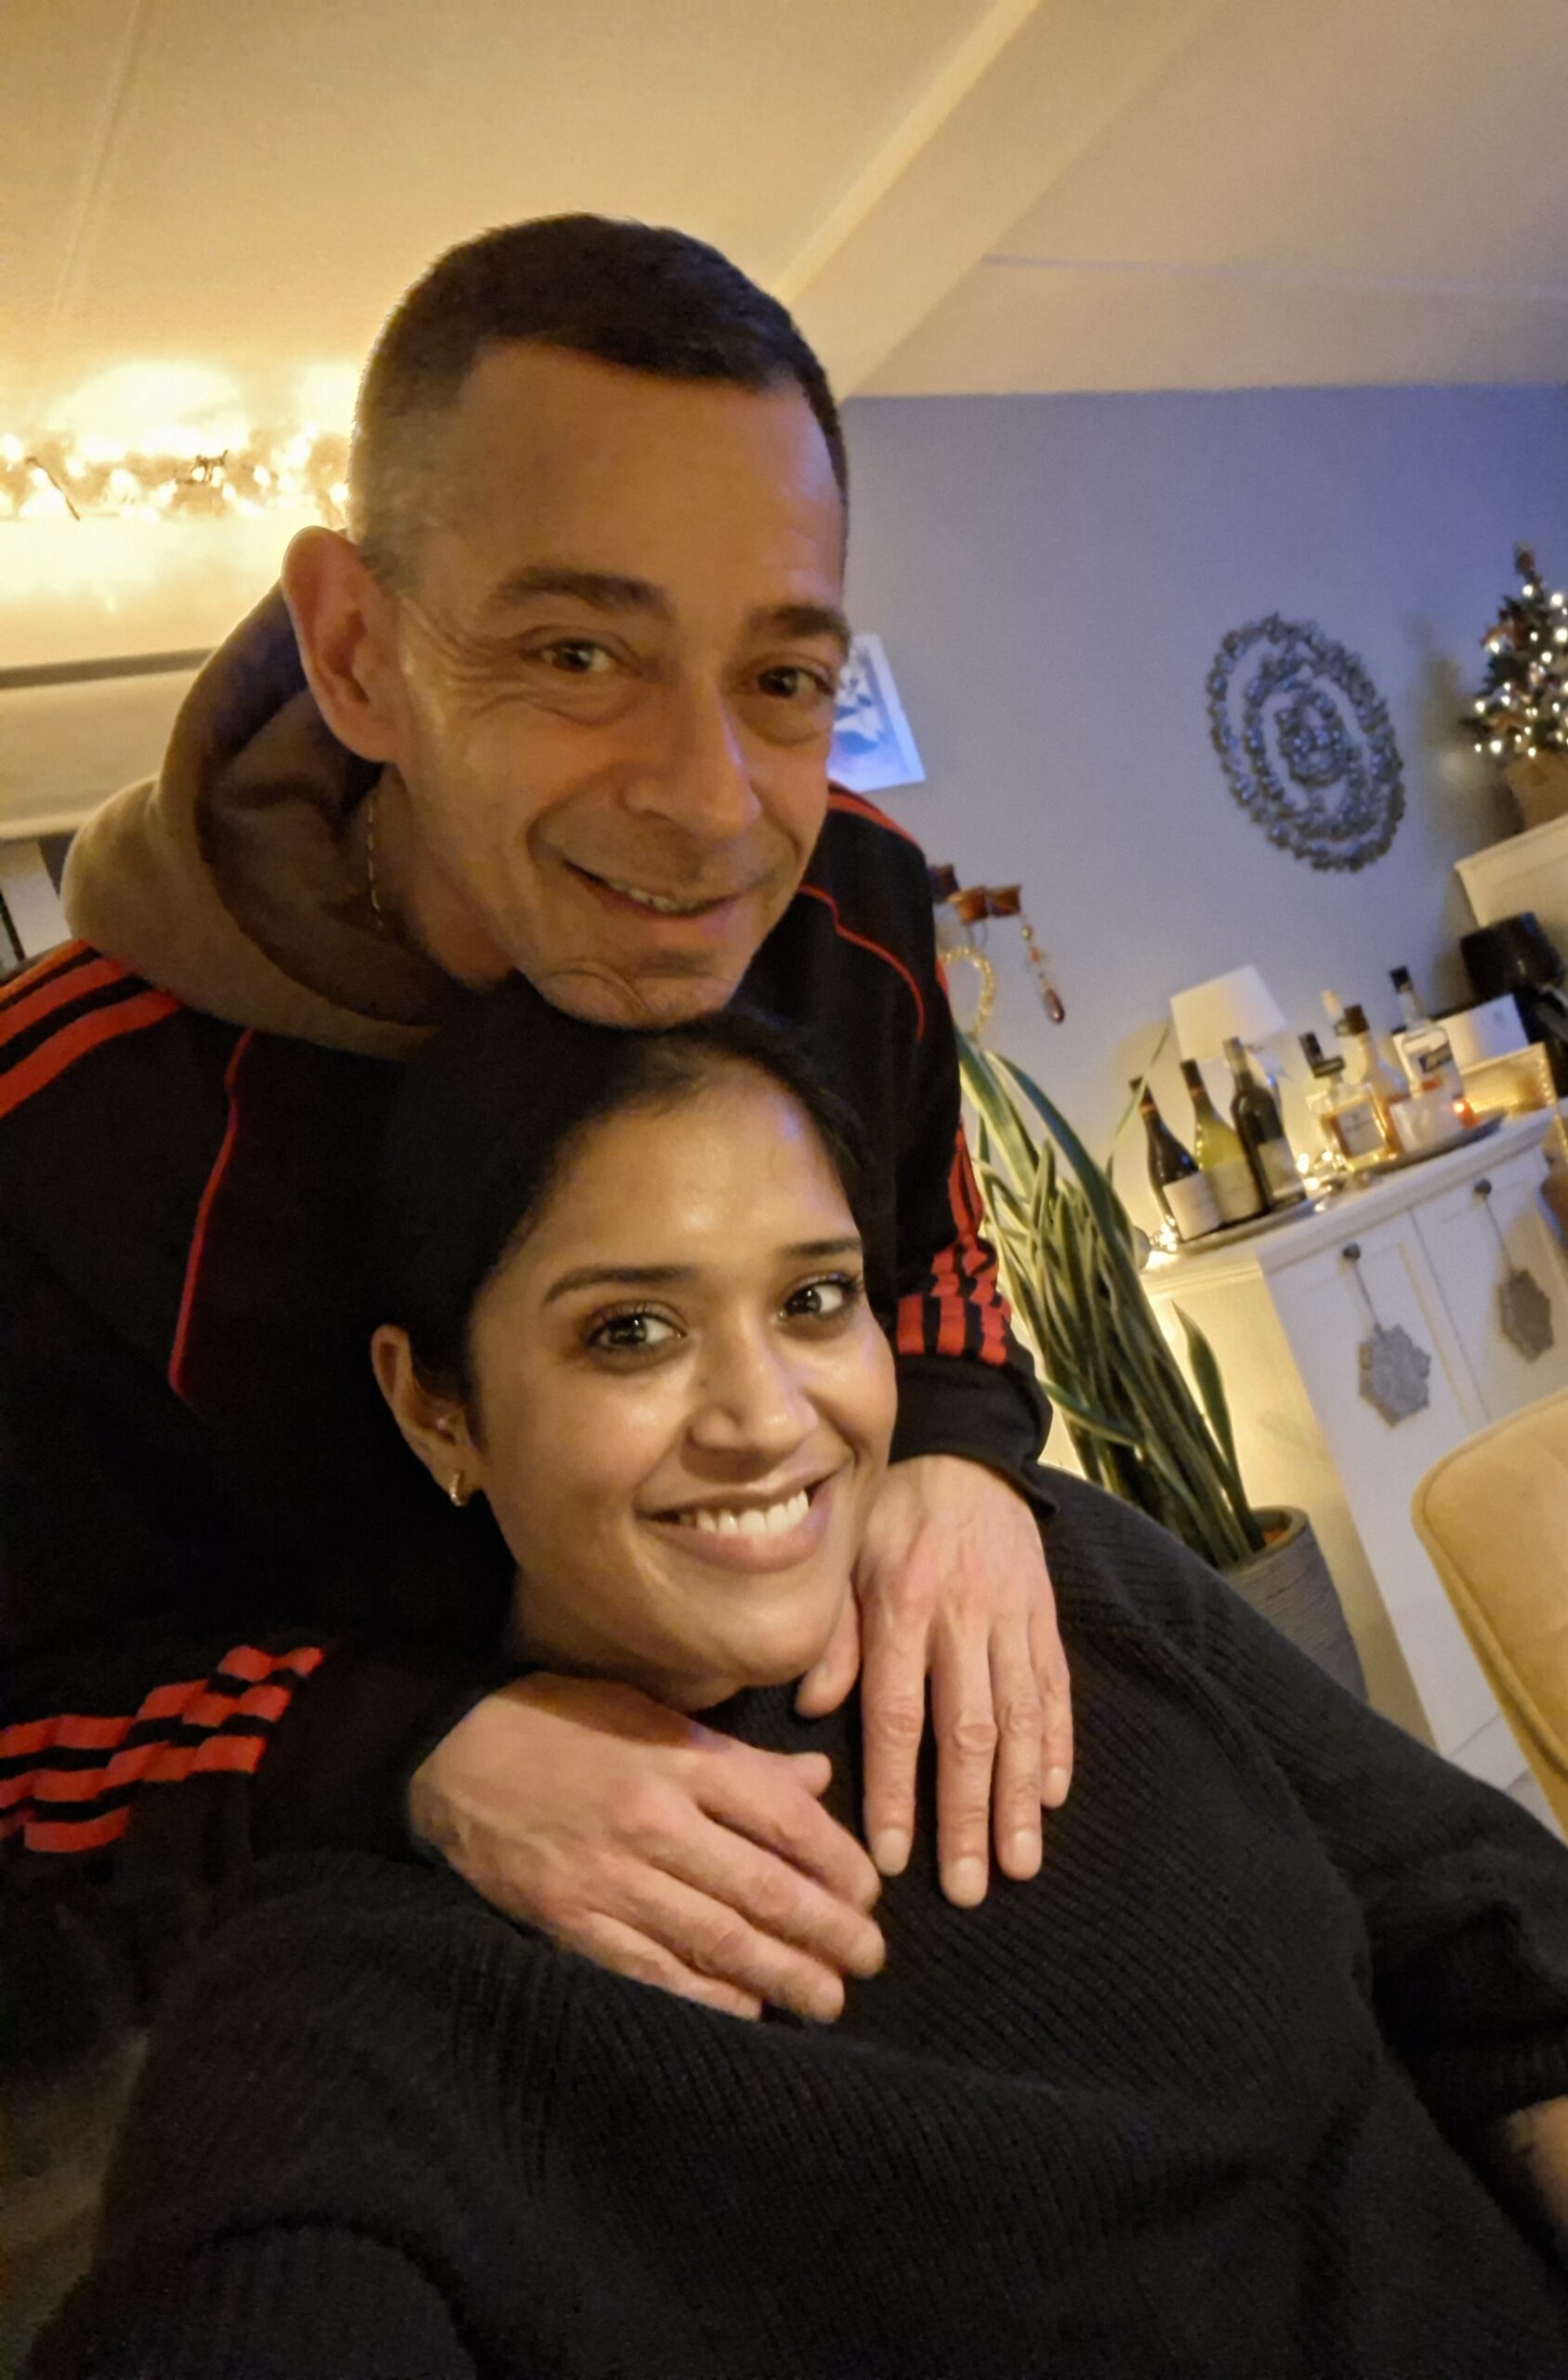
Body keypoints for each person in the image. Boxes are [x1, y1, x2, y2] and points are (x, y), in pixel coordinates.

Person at [30, 985, 1568, 2379]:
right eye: (629, 1331)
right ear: (437, 1406)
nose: (766, 1418)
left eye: (815, 1301)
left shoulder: (1060, 1577)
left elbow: (1511, 1952)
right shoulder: (362, 1990)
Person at [0, 216, 1070, 2038]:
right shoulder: (68, 1135)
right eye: (580, 653)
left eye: (781, 678)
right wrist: (413, 1749)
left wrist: (962, 1455)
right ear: (357, 653)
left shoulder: (857, 910)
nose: (712, 809)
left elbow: (930, 1241)